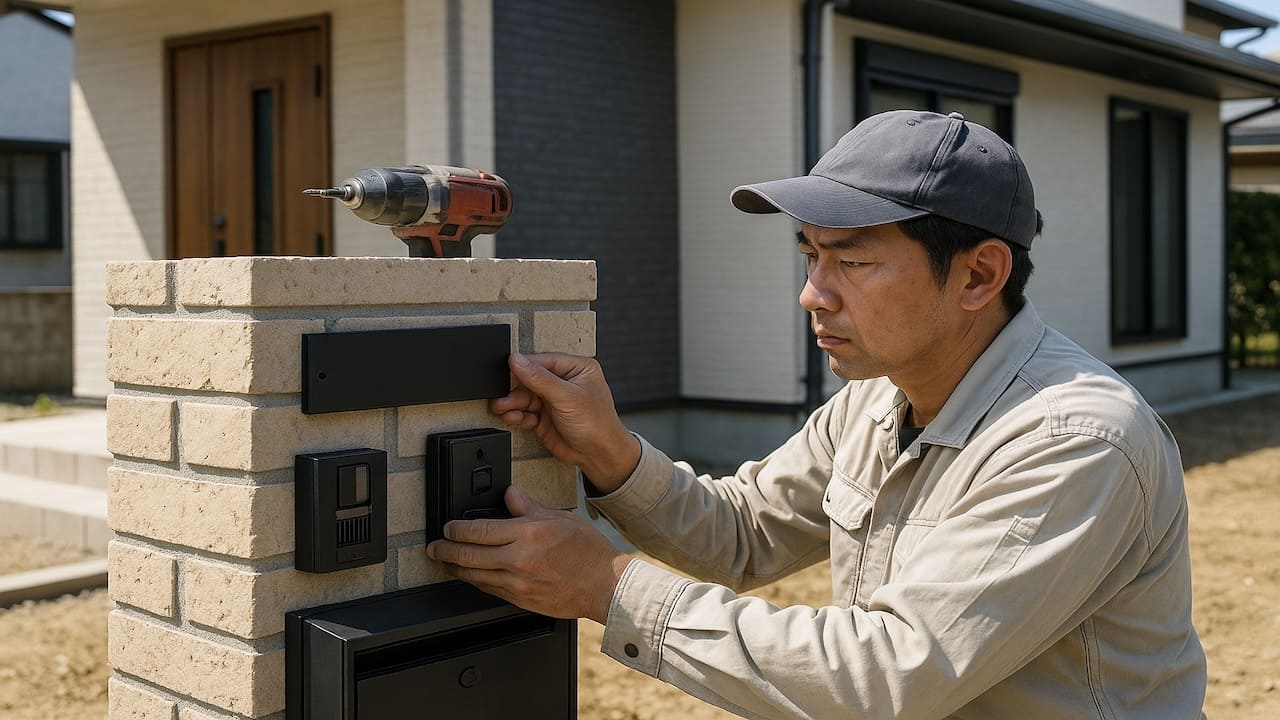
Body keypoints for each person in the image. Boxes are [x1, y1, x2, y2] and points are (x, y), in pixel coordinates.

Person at [426, 110, 1207, 719]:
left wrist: (606, 584)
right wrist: (608, 452)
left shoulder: (1074, 439)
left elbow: (890, 675)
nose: (813, 294)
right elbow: (742, 534)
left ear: (979, 276)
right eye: (810, 256)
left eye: (853, 262)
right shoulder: (878, 397)